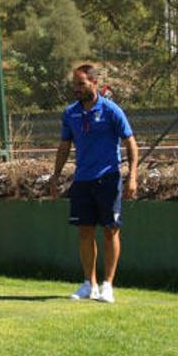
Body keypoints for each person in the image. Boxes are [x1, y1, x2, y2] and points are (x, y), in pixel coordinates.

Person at [49, 64, 138, 303]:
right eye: (74, 85)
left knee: (110, 231)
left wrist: (132, 176)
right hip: (82, 180)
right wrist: (56, 176)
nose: (76, 89)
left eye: (81, 84)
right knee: (85, 232)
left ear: (94, 83)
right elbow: (64, 147)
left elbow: (131, 143)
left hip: (108, 178)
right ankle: (90, 284)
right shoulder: (70, 113)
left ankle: (108, 285)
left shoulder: (111, 110)